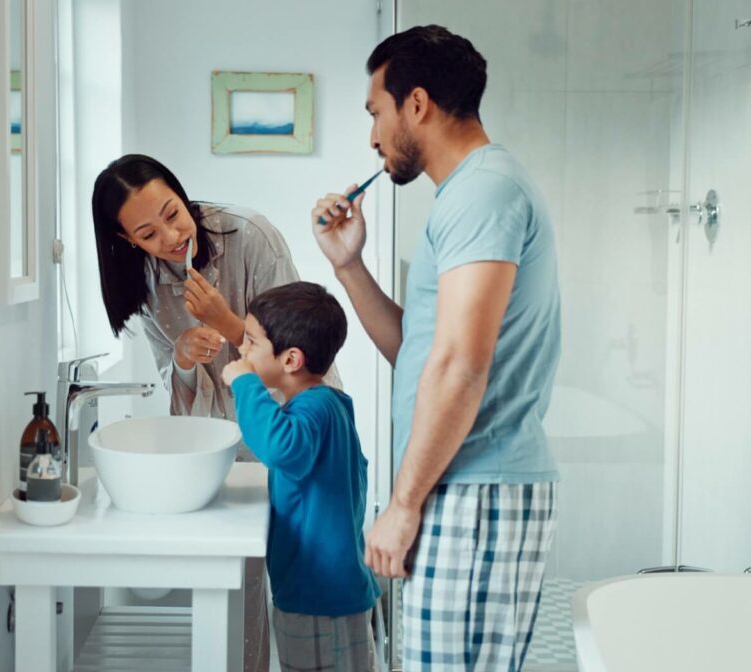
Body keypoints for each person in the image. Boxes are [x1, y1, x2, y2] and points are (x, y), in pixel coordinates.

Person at [310, 25, 561, 671]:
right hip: (462, 482)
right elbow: (421, 354)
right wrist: (349, 266)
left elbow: (460, 365)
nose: (372, 136)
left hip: (478, 484)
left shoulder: (483, 191)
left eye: (375, 112)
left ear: (415, 104)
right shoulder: (467, 195)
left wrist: (402, 504)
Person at [92, 153, 306, 672]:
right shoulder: (141, 276)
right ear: (127, 242)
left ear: (182, 194)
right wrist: (184, 356)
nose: (169, 236)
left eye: (172, 212)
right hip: (223, 443)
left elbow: (299, 356)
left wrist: (229, 323)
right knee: (243, 582)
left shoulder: (251, 236)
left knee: (305, 589)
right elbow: (174, 379)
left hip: (291, 426)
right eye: (147, 233)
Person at [221, 282, 381, 672]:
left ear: (291, 359)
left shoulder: (315, 409)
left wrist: (244, 382)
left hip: (320, 598)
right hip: (325, 592)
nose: (243, 351)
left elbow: (279, 448)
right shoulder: (327, 405)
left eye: (252, 343)